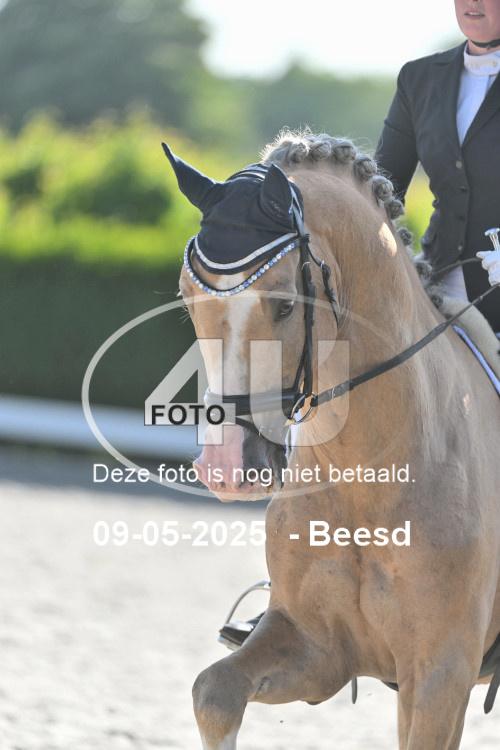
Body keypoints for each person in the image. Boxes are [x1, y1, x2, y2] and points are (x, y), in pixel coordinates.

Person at [219, 0, 500, 650]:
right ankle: (293, 594)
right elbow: (379, 192)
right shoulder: (422, 79)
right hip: (438, 285)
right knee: (326, 383)